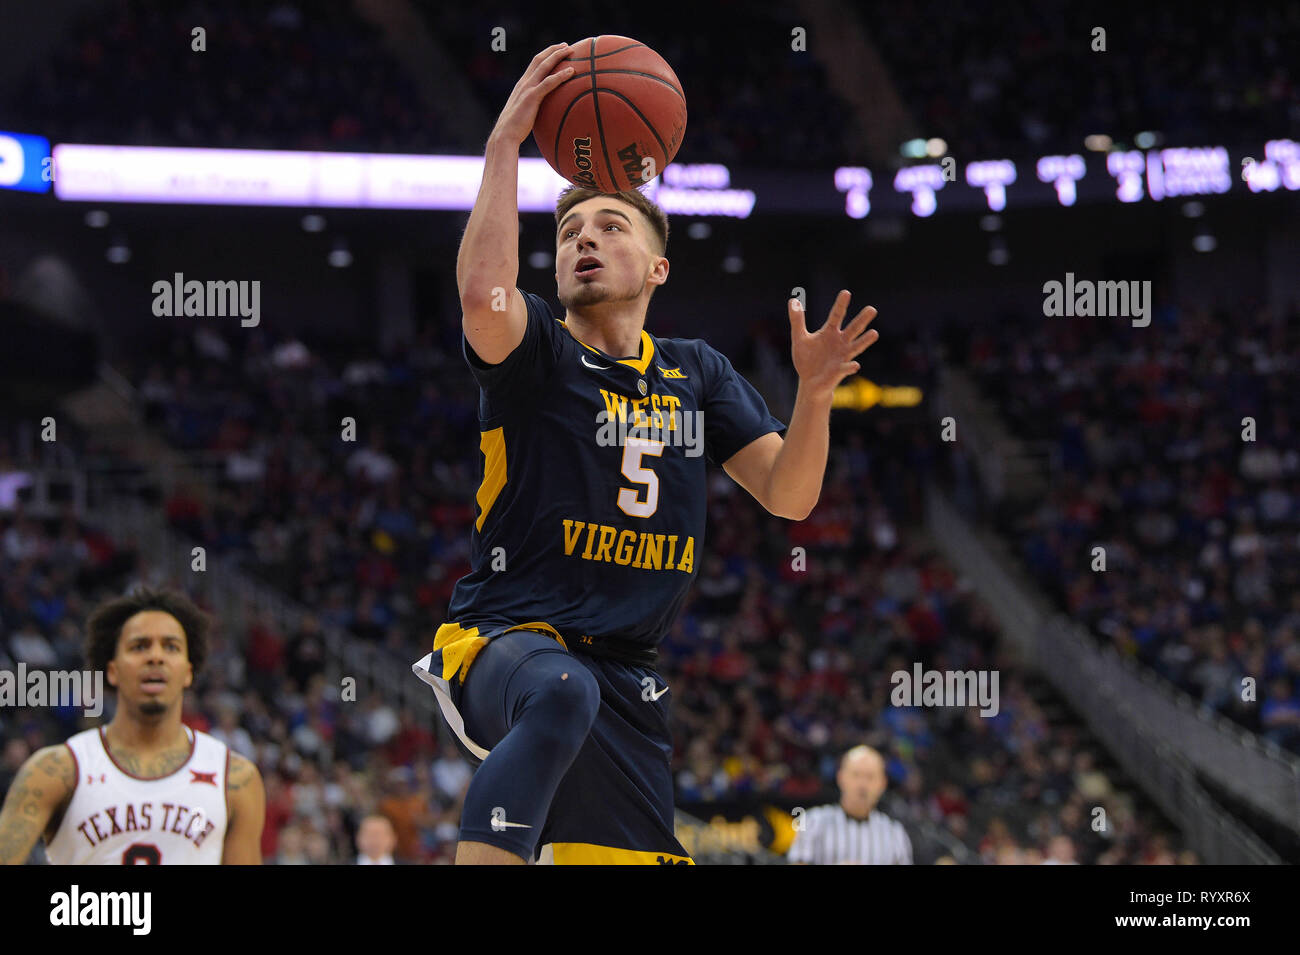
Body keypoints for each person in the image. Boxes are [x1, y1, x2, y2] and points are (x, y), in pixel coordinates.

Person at [413, 42, 881, 865]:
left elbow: (791, 494)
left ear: (658, 266)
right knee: (561, 690)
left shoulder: (697, 371)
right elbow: (482, 297)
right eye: (567, 233)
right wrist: (503, 147)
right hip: (506, 640)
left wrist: (813, 396)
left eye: (609, 225)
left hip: (627, 673)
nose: (582, 241)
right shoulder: (539, 357)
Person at [0, 588, 265, 864]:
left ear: (188, 672)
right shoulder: (56, 770)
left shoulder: (235, 778)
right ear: (112, 670)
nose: (155, 657)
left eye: (171, 647)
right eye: (139, 646)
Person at [787, 746, 912, 864]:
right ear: (841, 777)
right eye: (856, 774)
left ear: (883, 783)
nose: (862, 784)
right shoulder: (812, 821)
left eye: (870, 777)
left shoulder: (895, 832)